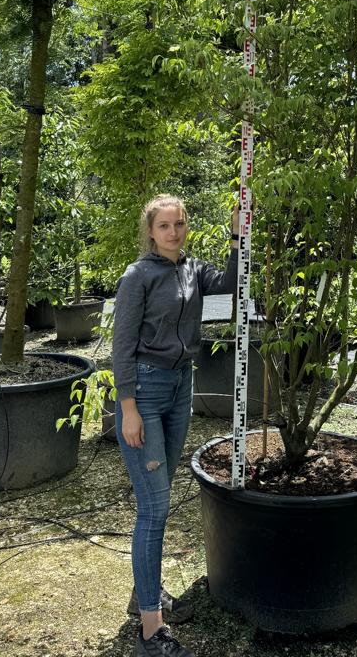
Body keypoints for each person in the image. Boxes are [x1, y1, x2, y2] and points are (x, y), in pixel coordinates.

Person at [113, 194, 239, 657]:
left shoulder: (193, 270)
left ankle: (142, 595)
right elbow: (121, 346)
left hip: (180, 389)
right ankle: (150, 629)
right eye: (164, 225)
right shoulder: (138, 276)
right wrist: (127, 408)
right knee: (154, 507)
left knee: (159, 506)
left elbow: (229, 288)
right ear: (151, 230)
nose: (173, 232)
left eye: (180, 224)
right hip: (144, 392)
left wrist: (237, 237)